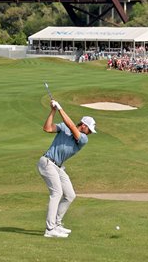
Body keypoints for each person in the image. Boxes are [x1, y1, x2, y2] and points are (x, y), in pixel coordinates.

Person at [37, 100, 97, 238]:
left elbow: (71, 126)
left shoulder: (83, 139)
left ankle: (57, 224)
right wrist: (53, 110)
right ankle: (50, 229)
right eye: (89, 130)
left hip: (57, 167)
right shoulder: (63, 127)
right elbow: (47, 128)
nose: (90, 133)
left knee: (70, 195)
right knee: (57, 193)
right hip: (47, 163)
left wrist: (60, 109)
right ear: (83, 125)